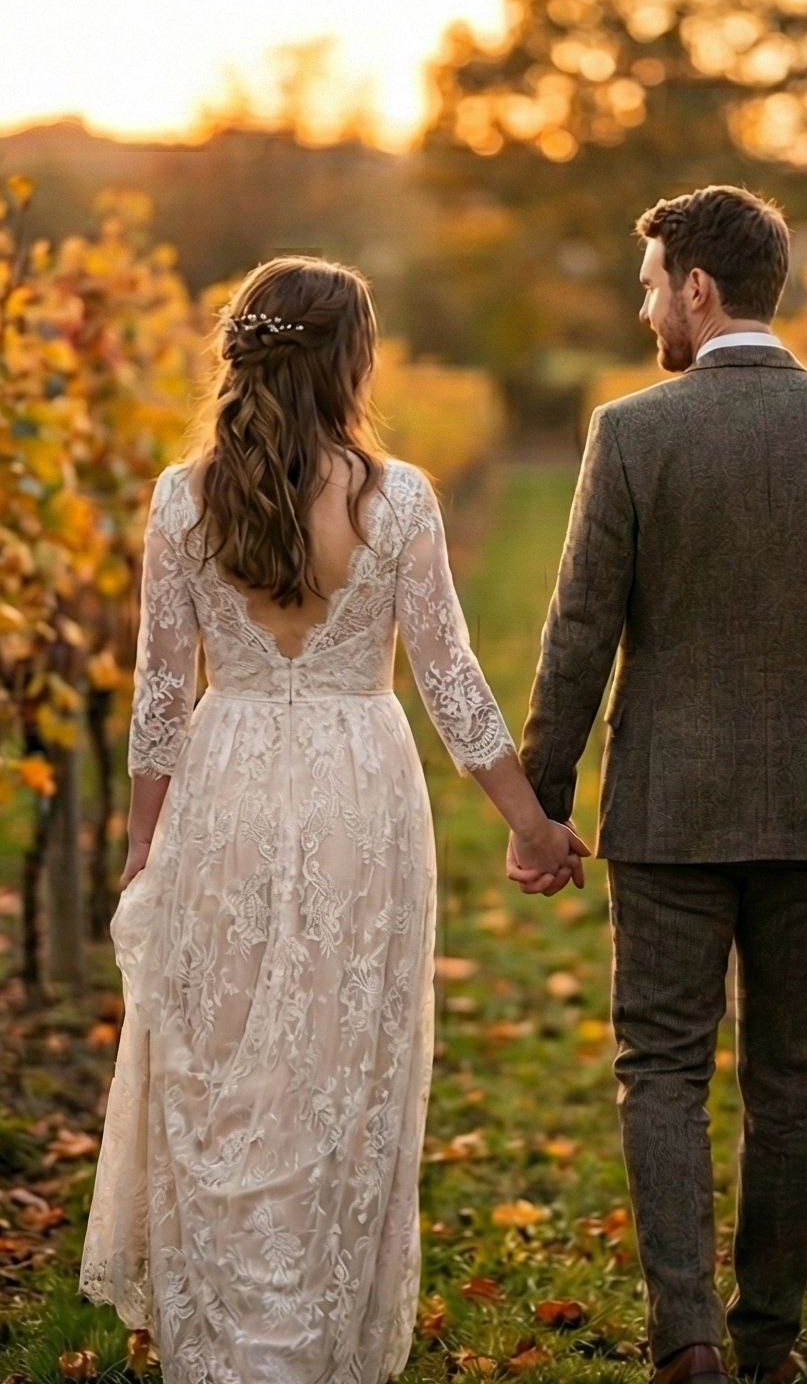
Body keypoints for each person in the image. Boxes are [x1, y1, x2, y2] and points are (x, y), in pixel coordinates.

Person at [82, 257, 584, 1384]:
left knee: (221, 1064)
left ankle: (230, 1344)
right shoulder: (395, 499)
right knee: (338, 1059)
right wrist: (534, 825)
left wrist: (141, 848)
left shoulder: (181, 497)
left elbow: (160, 698)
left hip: (229, 782)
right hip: (361, 783)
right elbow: (451, 683)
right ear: (351, 358)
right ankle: (301, 1339)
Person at [516, 185, 807, 1384]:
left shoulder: (633, 433)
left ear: (697, 290)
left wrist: (545, 803)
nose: (643, 303)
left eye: (651, 282)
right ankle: (766, 1346)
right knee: (790, 1076)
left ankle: (686, 1339)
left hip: (665, 807)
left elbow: (578, 633)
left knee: (660, 1065)